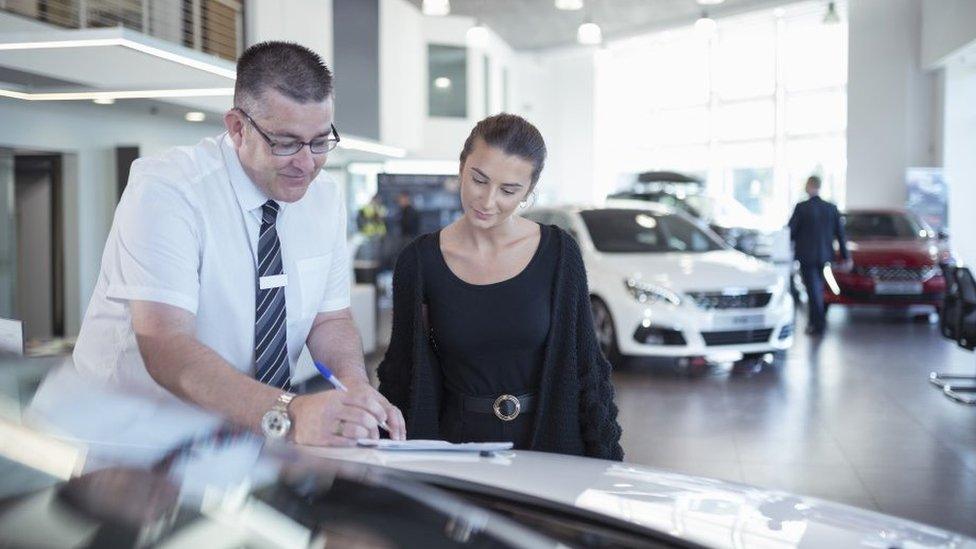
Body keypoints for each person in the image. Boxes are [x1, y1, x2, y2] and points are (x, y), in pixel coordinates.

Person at [28, 41, 405, 467]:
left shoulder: (324, 198)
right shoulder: (168, 190)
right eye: (286, 143)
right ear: (237, 127)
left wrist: (354, 389)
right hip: (126, 442)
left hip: (235, 435)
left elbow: (330, 318)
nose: (307, 163)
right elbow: (166, 343)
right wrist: (288, 412)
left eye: (320, 141)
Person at [377, 114, 623, 460]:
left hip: (549, 446)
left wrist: (605, 459)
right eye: (479, 180)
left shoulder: (558, 253)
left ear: (529, 192)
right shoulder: (419, 263)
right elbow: (404, 374)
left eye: (509, 190)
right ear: (462, 167)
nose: (488, 201)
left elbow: (586, 367)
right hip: (456, 449)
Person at [788, 175, 850, 336]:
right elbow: (841, 235)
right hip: (825, 256)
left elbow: (791, 232)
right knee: (819, 288)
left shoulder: (801, 208)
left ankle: (817, 323)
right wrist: (846, 256)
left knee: (813, 289)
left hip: (806, 256)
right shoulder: (831, 208)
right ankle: (817, 322)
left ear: (808, 186)